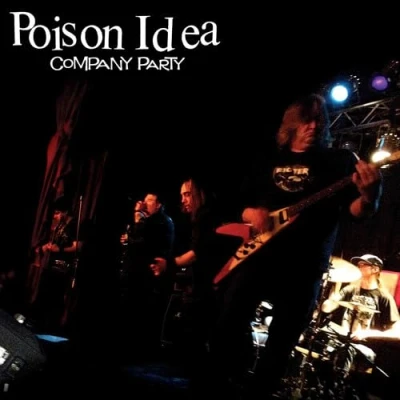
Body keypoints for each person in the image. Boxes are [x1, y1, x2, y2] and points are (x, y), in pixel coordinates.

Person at [208, 93, 383, 398]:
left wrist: (370, 196)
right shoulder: (266, 161)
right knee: (227, 324)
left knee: (280, 346)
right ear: (291, 124)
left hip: (305, 267)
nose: (312, 126)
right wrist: (252, 214)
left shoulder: (339, 162)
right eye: (305, 120)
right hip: (258, 259)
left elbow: (356, 211)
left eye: (318, 120)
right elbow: (237, 204)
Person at [150, 176, 225, 397]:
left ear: (199, 194)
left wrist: (169, 264)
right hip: (206, 284)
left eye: (187, 194)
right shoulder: (200, 218)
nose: (183, 199)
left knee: (197, 337)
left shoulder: (206, 217)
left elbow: (196, 253)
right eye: (181, 194)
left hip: (211, 286)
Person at [321, 254, 400, 378]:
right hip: (342, 341)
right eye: (358, 264)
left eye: (363, 264)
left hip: (365, 349)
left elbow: (397, 333)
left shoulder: (384, 298)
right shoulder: (350, 289)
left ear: (375, 269)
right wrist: (331, 295)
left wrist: (368, 333)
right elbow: (326, 309)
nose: (358, 267)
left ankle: (338, 382)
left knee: (347, 350)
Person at [119, 190, 175, 358]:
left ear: (158, 205)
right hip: (137, 274)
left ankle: (139, 352)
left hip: (147, 276)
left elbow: (142, 244)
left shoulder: (160, 221)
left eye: (149, 200)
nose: (144, 203)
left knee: (142, 314)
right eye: (144, 200)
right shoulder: (150, 221)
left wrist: (137, 221)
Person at [29, 197, 83, 334]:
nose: (55, 216)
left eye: (58, 213)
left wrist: (60, 250)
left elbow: (78, 246)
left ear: (65, 212)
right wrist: (47, 247)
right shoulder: (60, 226)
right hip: (52, 266)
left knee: (55, 297)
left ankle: (50, 328)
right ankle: (37, 323)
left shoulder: (74, 226)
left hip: (63, 269)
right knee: (44, 292)